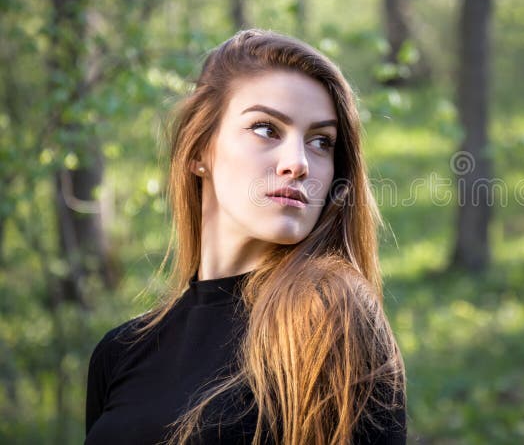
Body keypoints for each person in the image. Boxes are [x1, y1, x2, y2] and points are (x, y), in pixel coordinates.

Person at [84, 29, 406, 444]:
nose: (299, 163)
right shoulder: (120, 353)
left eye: (321, 141)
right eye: (267, 129)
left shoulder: (332, 322)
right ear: (199, 150)